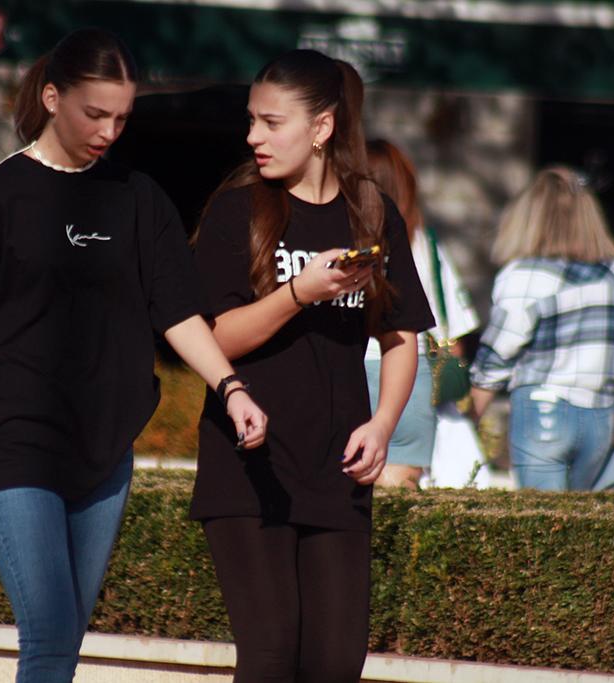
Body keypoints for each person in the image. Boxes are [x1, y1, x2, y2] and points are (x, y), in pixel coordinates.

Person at [0, 28, 268, 683]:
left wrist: (232, 387)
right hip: (12, 436)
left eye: (123, 118)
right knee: (49, 635)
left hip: (104, 445)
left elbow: (179, 315)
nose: (109, 131)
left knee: (65, 638)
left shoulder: (139, 199)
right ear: (52, 97)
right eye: (95, 113)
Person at [190, 50, 435, 682]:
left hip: (338, 467)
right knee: (271, 657)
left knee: (335, 663)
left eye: (272, 123)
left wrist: (382, 425)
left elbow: (401, 337)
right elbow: (214, 337)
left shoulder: (371, 211)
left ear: (322, 127)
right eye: (252, 120)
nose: (254, 136)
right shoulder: (236, 210)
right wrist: (299, 292)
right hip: (249, 465)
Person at [470, 166, 614, 491]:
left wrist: (469, 418)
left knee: (542, 519)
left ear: (529, 217)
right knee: (581, 517)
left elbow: (498, 356)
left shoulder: (524, 274)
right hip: (601, 416)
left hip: (542, 409)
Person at [364, 139, 479, 489]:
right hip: (412, 377)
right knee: (399, 497)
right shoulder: (426, 245)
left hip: (351, 372)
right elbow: (455, 335)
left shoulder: (337, 242)